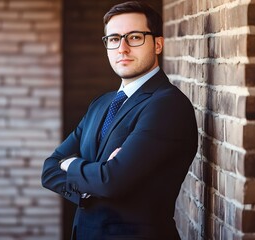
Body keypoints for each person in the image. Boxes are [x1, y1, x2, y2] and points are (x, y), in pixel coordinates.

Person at [41, 1, 198, 239]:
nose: (122, 48)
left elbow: (111, 180)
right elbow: (50, 168)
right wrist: (93, 180)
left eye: (134, 37)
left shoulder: (167, 105)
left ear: (157, 44)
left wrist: (71, 165)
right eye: (114, 39)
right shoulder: (101, 104)